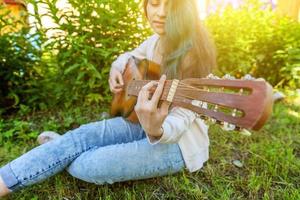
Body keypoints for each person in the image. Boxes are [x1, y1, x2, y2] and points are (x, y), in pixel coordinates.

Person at [0, 0, 216, 197]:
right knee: (80, 135)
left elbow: (184, 116)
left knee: (87, 166)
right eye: (154, 4)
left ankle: (60, 151)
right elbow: (130, 55)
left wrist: (157, 129)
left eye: (169, 6)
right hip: (138, 121)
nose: (159, 13)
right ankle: (6, 180)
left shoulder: (195, 53)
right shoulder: (154, 41)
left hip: (177, 144)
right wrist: (116, 67)